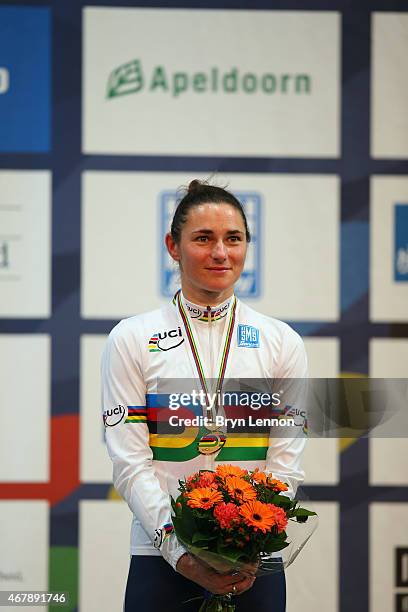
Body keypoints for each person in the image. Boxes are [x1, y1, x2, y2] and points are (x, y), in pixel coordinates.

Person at [101, 180, 308, 611]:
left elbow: (286, 465)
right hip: (160, 561)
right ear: (172, 247)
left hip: (254, 565)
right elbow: (130, 463)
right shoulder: (132, 338)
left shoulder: (282, 342)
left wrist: (253, 541)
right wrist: (179, 551)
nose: (220, 253)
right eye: (203, 238)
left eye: (233, 239)